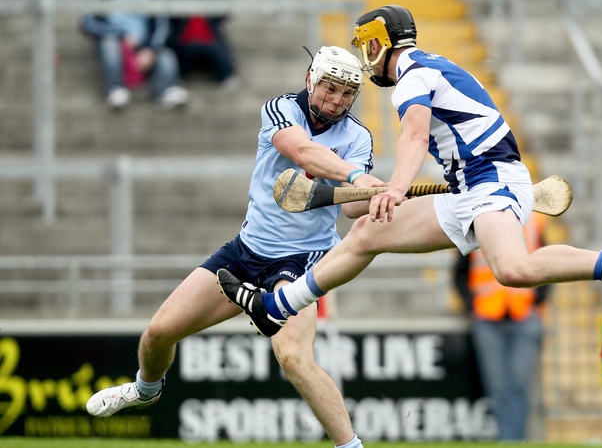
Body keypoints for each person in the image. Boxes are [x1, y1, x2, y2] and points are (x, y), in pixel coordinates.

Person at [215, 5, 602, 342]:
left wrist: (396, 187)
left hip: (491, 182)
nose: (365, 59)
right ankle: (278, 305)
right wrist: (384, 190)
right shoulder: (431, 66)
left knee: (514, 270)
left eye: (365, 48)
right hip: (467, 188)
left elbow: (415, 138)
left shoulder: (413, 76)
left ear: (379, 43)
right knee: (364, 234)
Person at [86, 46, 384, 448]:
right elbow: (299, 150)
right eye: (329, 88)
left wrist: (377, 196)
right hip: (246, 251)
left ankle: (351, 446)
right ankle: (145, 389)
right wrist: (353, 175)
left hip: (304, 259)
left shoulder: (357, 137)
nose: (335, 100)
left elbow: (352, 213)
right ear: (311, 79)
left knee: (293, 358)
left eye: (346, 94)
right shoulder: (281, 109)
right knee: (158, 333)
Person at [453, 212, 550, 440]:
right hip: (488, 317)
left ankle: (514, 440)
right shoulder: (475, 220)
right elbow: (459, 271)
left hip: (524, 315)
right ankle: (507, 440)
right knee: (497, 388)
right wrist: (471, 305)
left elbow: (549, 262)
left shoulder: (534, 221)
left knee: (519, 385)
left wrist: (537, 300)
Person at [80, 0, 189, 110]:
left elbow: (161, 26)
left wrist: (150, 50)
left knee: (165, 55)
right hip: (115, 44)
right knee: (109, 45)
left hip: (143, 47)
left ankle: (167, 90)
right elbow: (87, 23)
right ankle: (115, 90)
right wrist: (121, 35)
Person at [166, 15, 238, 88]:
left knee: (218, 54)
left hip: (209, 39)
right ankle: (177, 78)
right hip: (185, 41)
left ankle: (226, 75)